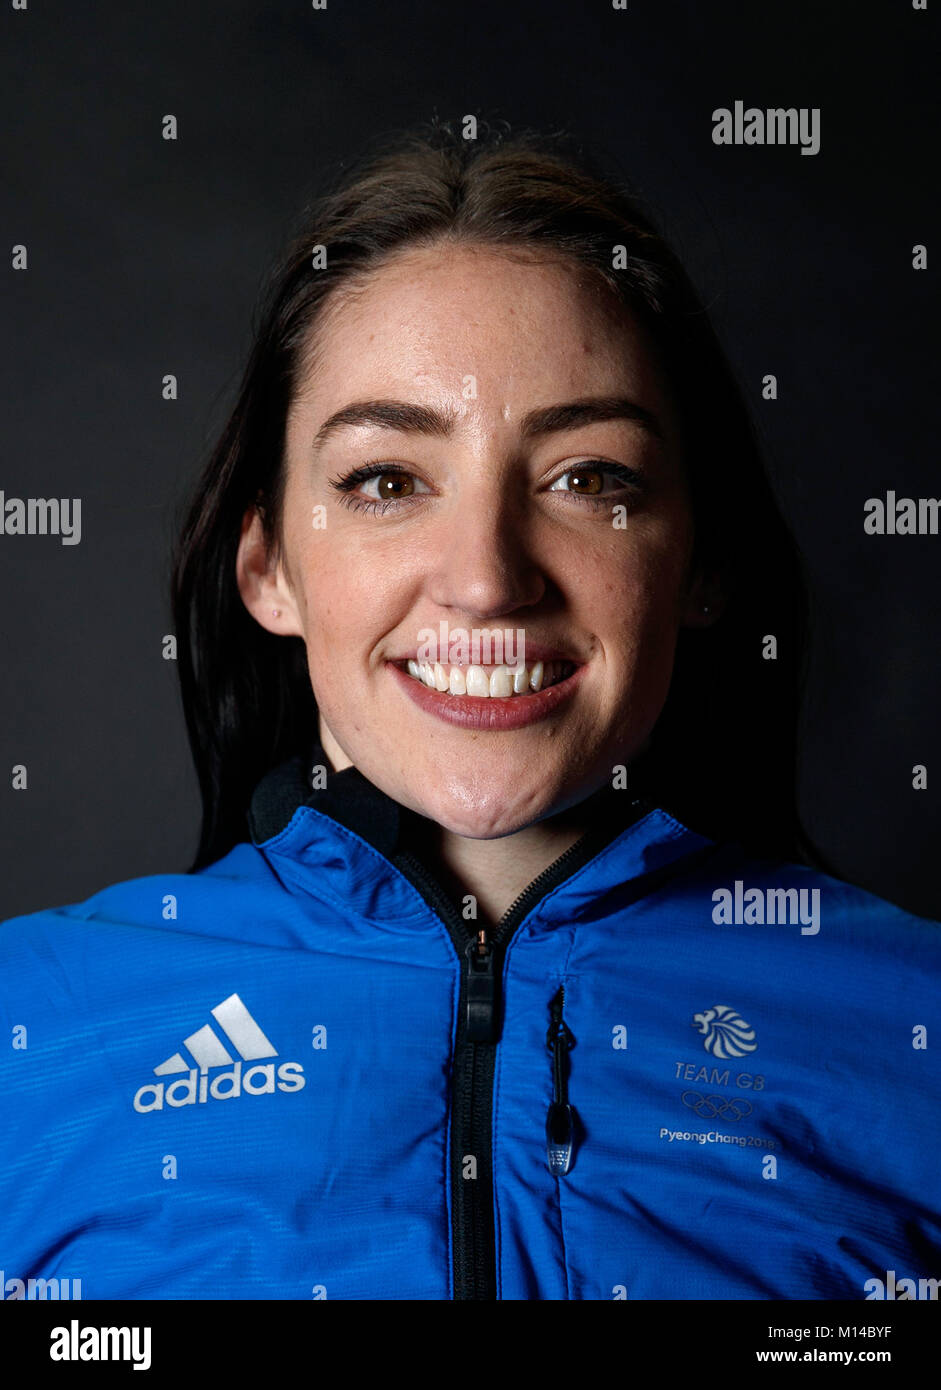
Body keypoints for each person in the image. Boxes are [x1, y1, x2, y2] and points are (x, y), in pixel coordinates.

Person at [1, 123, 938, 1303]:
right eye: (385, 481)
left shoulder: (917, 1026)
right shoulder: (24, 1026)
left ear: (700, 562)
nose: (486, 575)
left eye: (587, 478)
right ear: (267, 568)